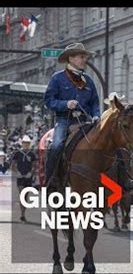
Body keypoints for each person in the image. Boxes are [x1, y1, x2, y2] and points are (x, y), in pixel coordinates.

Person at [44, 43, 100, 189]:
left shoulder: (88, 80)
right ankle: (51, 181)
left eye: (84, 57)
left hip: (85, 121)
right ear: (71, 58)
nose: (84, 60)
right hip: (65, 121)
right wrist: (65, 104)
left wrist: (96, 116)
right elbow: (49, 101)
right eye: (81, 57)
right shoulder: (57, 78)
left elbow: (95, 102)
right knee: (56, 146)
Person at [11, 136, 37, 222]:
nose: (26, 144)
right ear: (22, 143)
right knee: (22, 193)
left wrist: (31, 173)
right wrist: (17, 172)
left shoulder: (32, 154)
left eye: (27, 143)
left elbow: (34, 165)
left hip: (28, 177)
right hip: (20, 177)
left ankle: (23, 213)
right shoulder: (17, 153)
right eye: (24, 143)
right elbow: (12, 166)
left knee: (26, 197)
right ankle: (22, 214)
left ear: (29, 144)